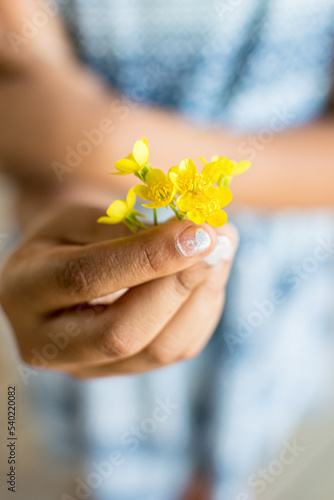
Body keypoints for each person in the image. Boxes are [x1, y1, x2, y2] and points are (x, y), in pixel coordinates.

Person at [0, 1, 334, 499]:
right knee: (101, 456)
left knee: (248, 437)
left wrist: (96, 138)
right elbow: (19, 103)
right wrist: (67, 208)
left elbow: (47, 116)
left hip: (285, 274)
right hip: (108, 264)